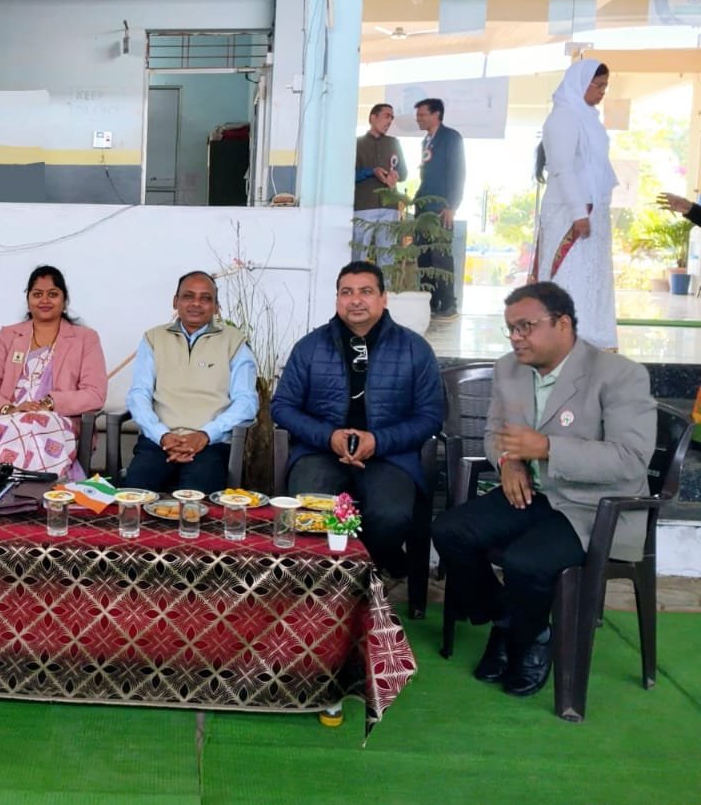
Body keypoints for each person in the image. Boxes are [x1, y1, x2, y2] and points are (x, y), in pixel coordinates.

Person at [432, 282, 654, 699]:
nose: (516, 337)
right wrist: (508, 460)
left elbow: (630, 458)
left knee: (526, 562)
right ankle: (506, 620)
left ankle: (531, 638)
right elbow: (496, 432)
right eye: (511, 329)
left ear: (563, 324)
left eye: (526, 327)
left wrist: (548, 448)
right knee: (448, 531)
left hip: (593, 507)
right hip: (530, 492)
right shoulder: (508, 369)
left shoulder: (621, 375)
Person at [271, 261, 443, 576]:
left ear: (383, 298)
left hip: (389, 455)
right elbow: (281, 406)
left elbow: (431, 416)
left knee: (389, 516)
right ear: (337, 299)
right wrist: (329, 437)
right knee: (311, 512)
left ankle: (363, 577)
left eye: (366, 291)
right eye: (346, 292)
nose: (355, 300)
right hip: (320, 452)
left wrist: (378, 441)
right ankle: (326, 584)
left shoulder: (414, 349)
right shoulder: (310, 347)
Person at [0, 266, 107, 478]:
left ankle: (20, 490)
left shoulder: (85, 338)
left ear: (65, 301)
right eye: (37, 294)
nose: (44, 300)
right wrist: (8, 409)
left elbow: (95, 394)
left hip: (57, 420)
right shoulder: (9, 335)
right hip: (9, 417)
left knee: (32, 424)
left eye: (52, 294)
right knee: (11, 425)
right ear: (28, 299)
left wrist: (50, 403)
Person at [124, 271, 258, 492]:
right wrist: (162, 435)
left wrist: (206, 434)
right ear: (175, 301)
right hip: (159, 442)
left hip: (211, 445)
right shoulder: (153, 338)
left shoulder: (234, 342)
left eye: (206, 298)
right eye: (188, 296)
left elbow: (247, 402)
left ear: (216, 306)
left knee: (196, 502)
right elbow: (139, 394)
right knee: (136, 495)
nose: (196, 303)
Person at [534, 61, 618, 351]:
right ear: (580, 82)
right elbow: (562, 168)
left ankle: (591, 338)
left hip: (592, 209)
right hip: (570, 211)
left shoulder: (589, 119)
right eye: (599, 85)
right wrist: (579, 212)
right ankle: (561, 340)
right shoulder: (564, 117)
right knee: (568, 275)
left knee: (591, 279)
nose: (602, 92)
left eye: (606, 86)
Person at [414, 97, 465, 321]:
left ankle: (448, 303)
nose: (419, 119)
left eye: (422, 114)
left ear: (436, 114)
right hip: (423, 208)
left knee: (441, 258)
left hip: (441, 208)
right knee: (424, 258)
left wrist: (451, 205)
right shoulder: (426, 141)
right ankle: (431, 301)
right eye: (418, 115)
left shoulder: (451, 138)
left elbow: (458, 173)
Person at [353, 103, 408, 268]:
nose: (389, 121)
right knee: (358, 254)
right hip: (364, 206)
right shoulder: (357, 144)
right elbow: (349, 176)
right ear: (372, 118)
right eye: (386, 116)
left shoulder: (394, 143)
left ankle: (385, 290)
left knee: (387, 255)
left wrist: (395, 174)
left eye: (392, 118)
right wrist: (371, 171)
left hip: (389, 207)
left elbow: (404, 173)